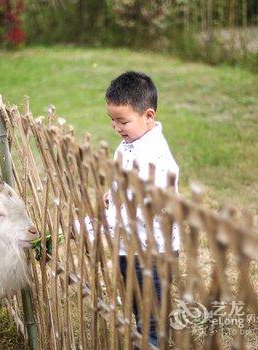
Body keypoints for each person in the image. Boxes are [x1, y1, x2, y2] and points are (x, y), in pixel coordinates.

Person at [104, 71, 180, 348]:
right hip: (127, 244)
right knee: (135, 301)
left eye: (123, 121)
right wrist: (110, 195)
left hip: (153, 250)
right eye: (112, 120)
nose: (116, 127)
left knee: (152, 315)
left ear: (148, 116)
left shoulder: (157, 158)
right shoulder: (127, 145)